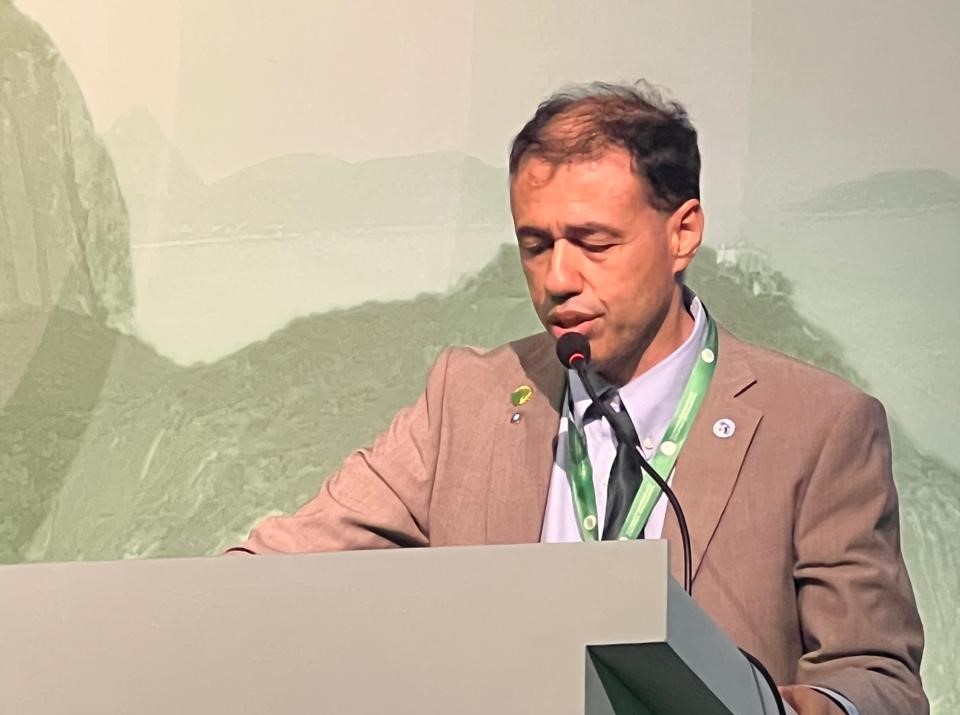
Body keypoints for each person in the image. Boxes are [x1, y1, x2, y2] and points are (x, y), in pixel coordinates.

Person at [229, 82, 927, 714]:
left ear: (683, 233)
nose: (558, 277)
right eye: (536, 245)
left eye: (593, 242)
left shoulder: (819, 426)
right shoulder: (465, 400)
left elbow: (879, 680)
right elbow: (274, 570)